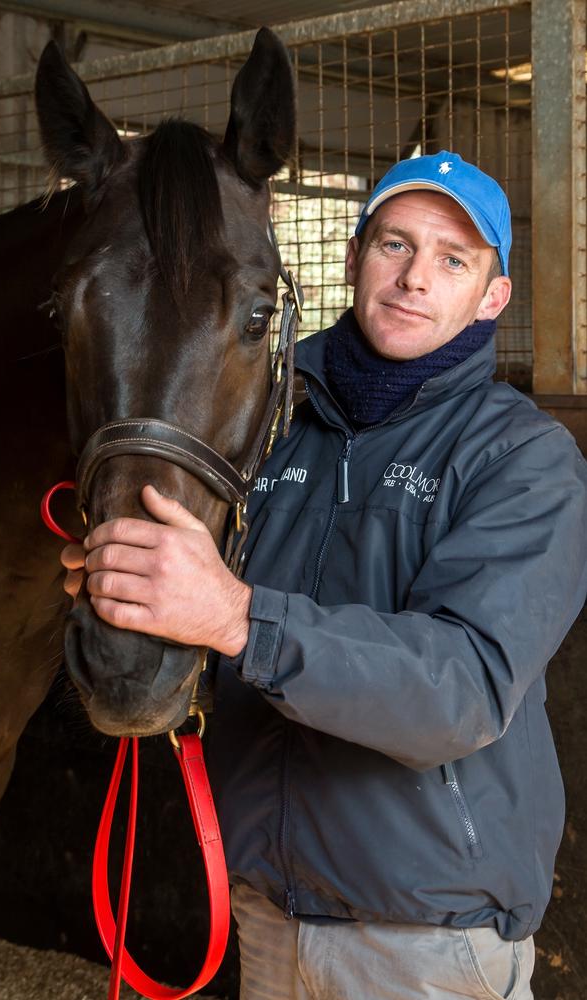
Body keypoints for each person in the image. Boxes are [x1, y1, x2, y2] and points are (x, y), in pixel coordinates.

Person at [62, 150, 587, 1000]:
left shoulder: (523, 457)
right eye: (394, 245)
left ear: (492, 299)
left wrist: (236, 617)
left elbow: (465, 684)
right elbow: (207, 605)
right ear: (352, 260)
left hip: (424, 941)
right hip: (264, 913)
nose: (416, 277)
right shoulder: (274, 423)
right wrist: (138, 583)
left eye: (453, 260)